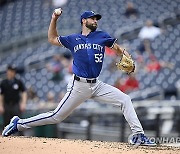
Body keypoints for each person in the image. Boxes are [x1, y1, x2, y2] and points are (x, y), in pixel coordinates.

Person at [2, 10, 155, 146]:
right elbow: (52, 39)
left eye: (96, 19)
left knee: (125, 99)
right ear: (84, 21)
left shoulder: (102, 36)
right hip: (79, 86)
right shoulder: (73, 39)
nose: (95, 21)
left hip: (97, 85)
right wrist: (54, 18)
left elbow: (118, 48)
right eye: (92, 18)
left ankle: (139, 135)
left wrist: (125, 55)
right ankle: (18, 123)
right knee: (56, 116)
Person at [0, 65, 27, 130]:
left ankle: (21, 137)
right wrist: (1, 105)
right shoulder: (3, 83)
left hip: (16, 105)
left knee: (19, 123)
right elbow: (1, 95)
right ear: (7, 71)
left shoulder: (18, 81)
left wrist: (23, 103)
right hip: (6, 105)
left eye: (13, 71)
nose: (12, 73)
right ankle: (6, 138)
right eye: (10, 71)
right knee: (6, 124)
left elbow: (24, 92)